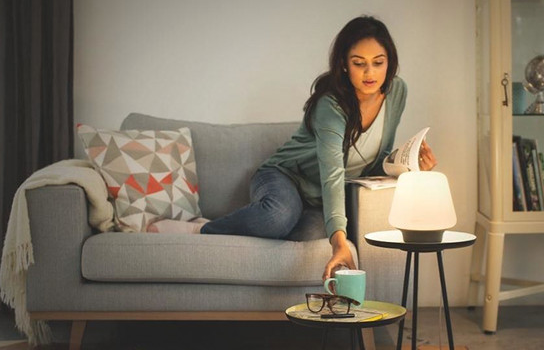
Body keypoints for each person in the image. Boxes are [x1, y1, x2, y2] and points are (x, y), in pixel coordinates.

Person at [147, 15, 437, 283]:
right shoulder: (331, 105)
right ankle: (200, 228)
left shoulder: (397, 91)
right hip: (284, 176)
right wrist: (339, 243)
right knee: (278, 217)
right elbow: (332, 174)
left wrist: (407, 165)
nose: (370, 72)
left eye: (379, 61)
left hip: (316, 200)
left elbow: (375, 156)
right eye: (359, 62)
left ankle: (272, 222)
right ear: (345, 64)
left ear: (390, 61)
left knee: (314, 232)